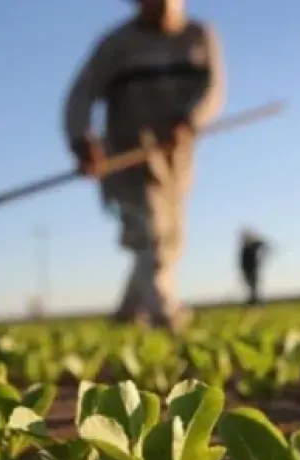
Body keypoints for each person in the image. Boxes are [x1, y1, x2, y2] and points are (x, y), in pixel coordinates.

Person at [63, 0, 226, 332]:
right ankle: (166, 316)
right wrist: (82, 141)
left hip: (175, 163)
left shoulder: (199, 36)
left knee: (170, 241)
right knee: (151, 237)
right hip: (128, 159)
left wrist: (189, 121)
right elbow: (81, 95)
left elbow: (213, 89)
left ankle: (126, 315)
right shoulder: (117, 43)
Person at [239, 228, 270, 306]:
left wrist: (263, 256)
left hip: (253, 269)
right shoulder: (244, 248)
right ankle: (253, 301)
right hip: (246, 270)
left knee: (254, 286)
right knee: (251, 286)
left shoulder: (253, 245)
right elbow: (242, 261)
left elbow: (264, 245)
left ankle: (255, 302)